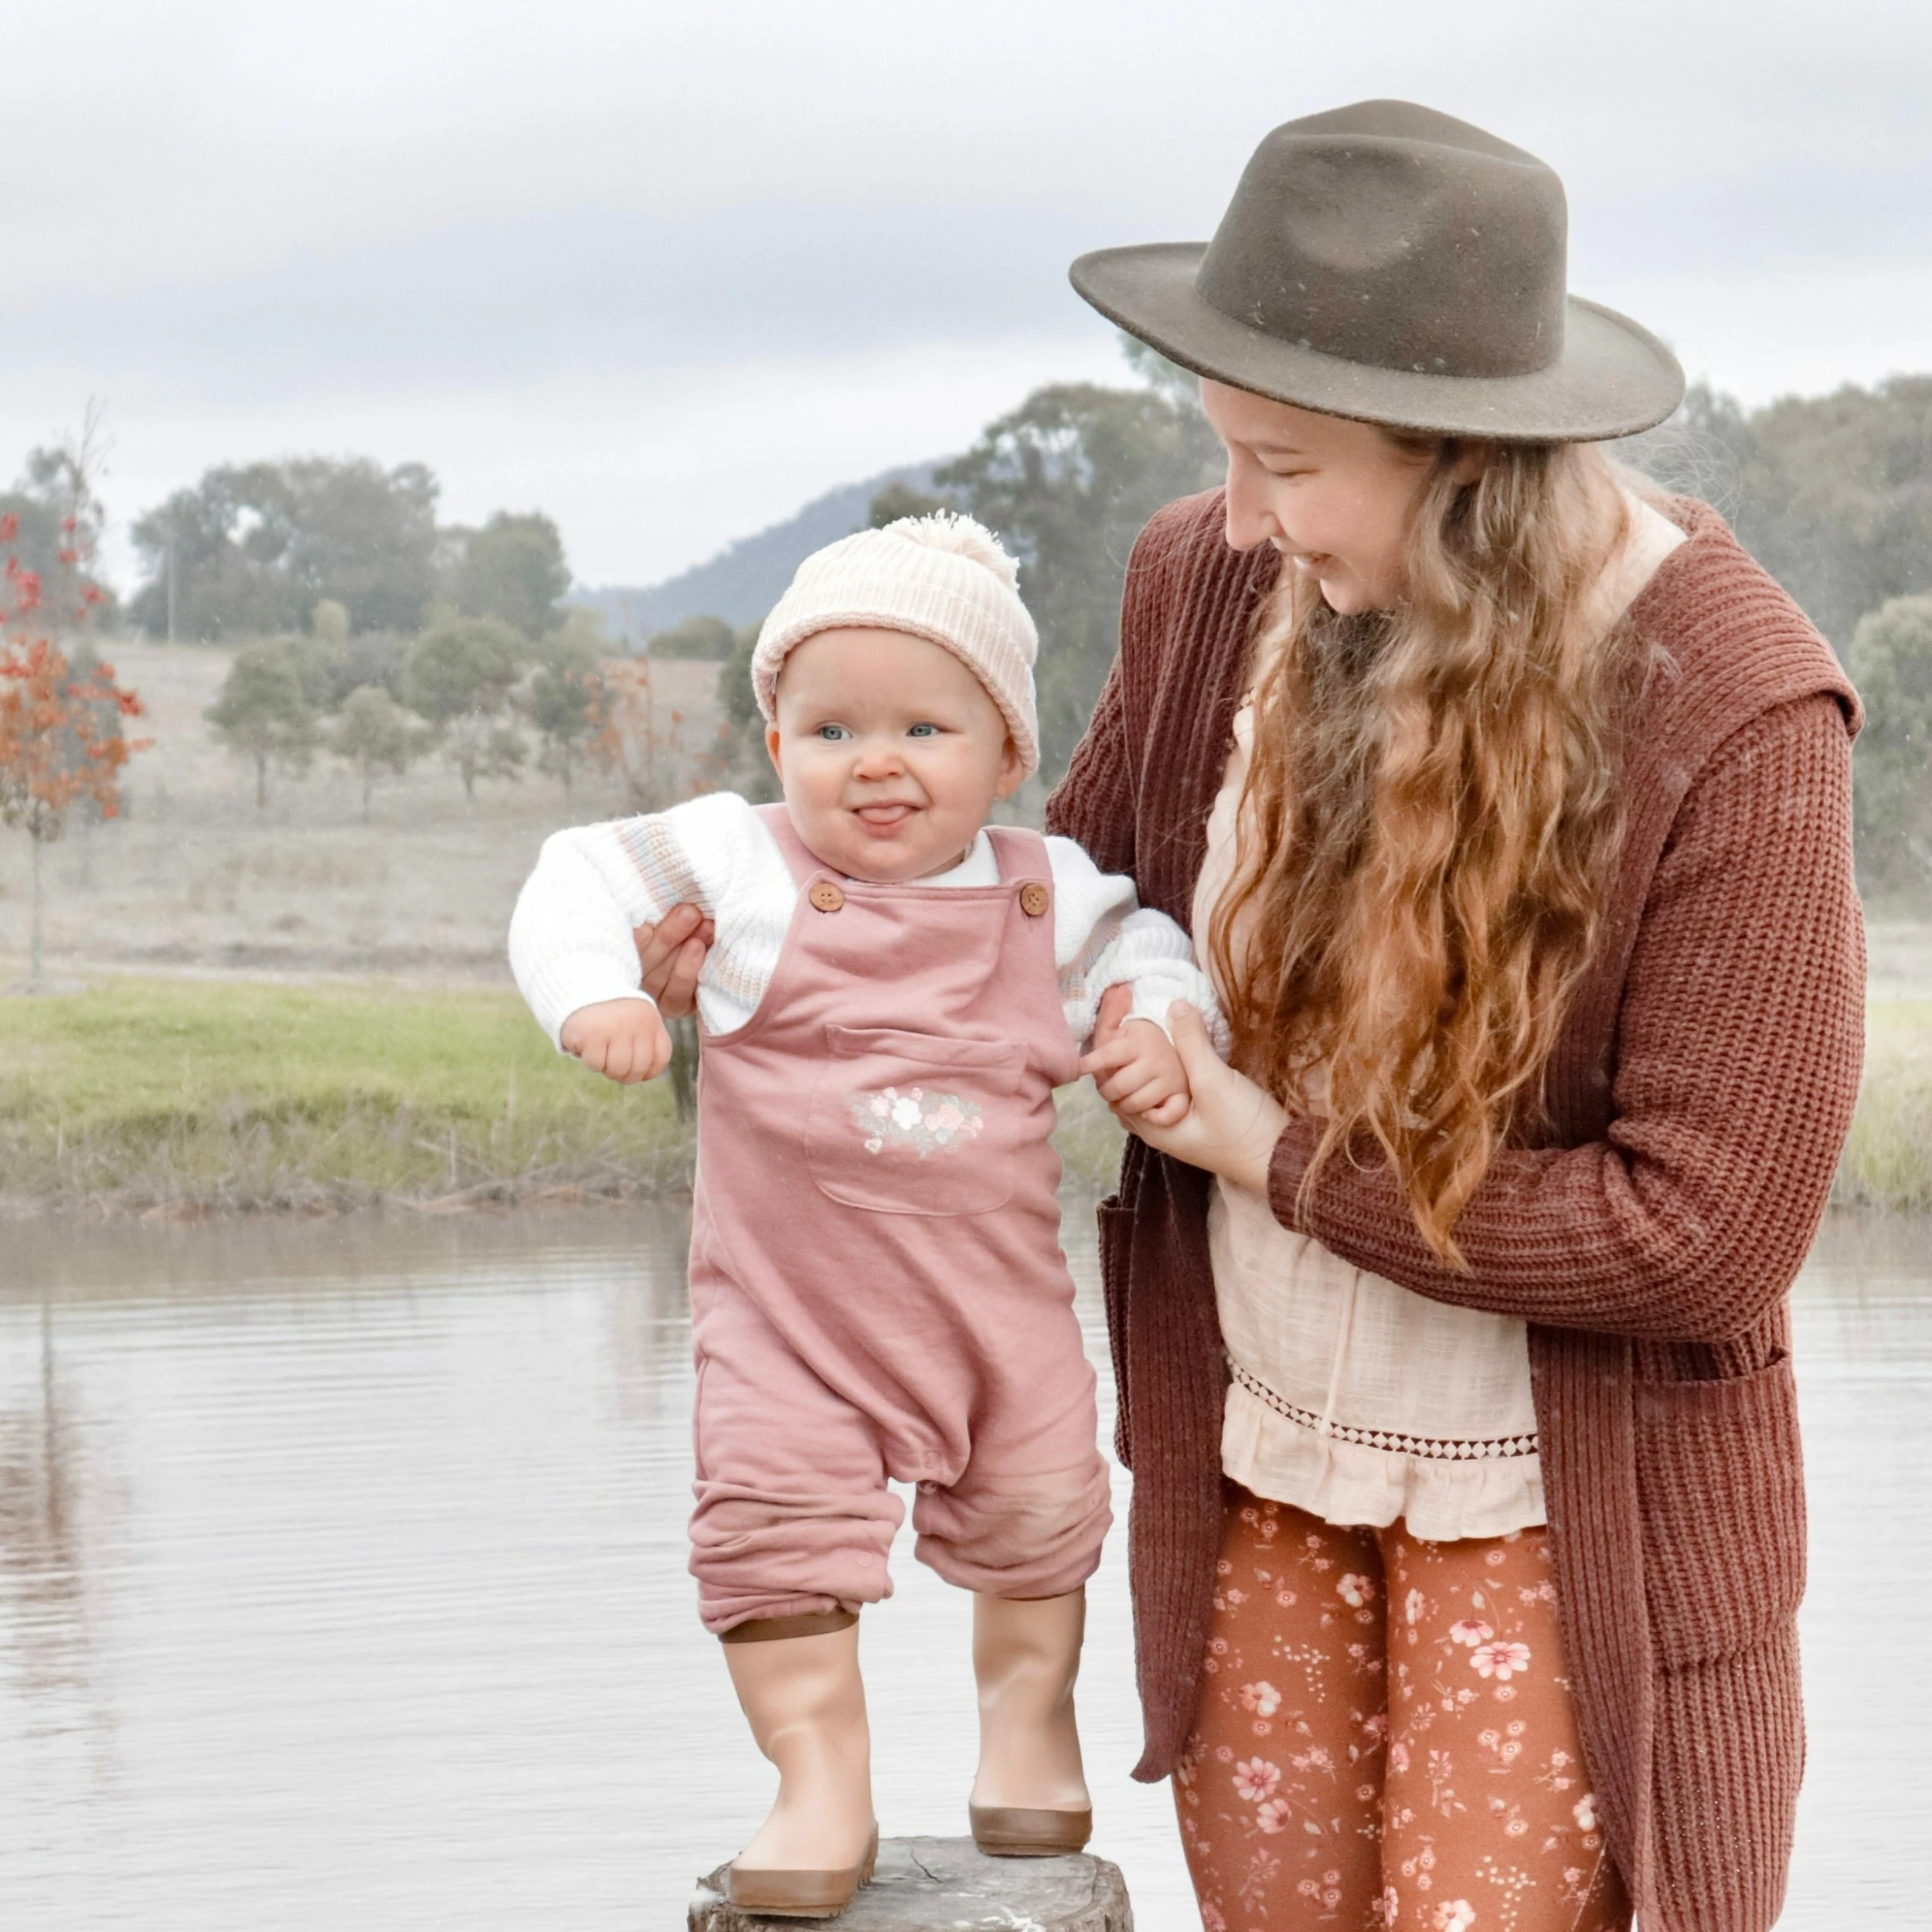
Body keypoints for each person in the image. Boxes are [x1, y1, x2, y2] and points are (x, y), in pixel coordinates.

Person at [1044, 100, 1865, 1932]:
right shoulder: (1206, 578)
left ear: (1470, 461)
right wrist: (809, 932)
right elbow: (1082, 893)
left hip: (1561, 1521)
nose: (1239, 514)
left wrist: (1264, 1151)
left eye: (1290, 465)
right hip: (1260, 1462)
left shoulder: (1729, 704)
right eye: (1225, 451)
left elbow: (1701, 1235)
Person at [508, 511, 1224, 1917]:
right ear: (776, 741)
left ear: (1008, 754)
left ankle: (1028, 1731)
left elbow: (1150, 938)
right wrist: (594, 988)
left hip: (994, 1320)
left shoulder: (1047, 889)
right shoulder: (741, 863)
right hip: (790, 1322)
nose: (874, 763)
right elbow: (576, 873)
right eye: (829, 731)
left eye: (924, 730)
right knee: (769, 1531)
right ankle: (818, 1772)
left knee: (1040, 1518)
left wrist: (1154, 1014)